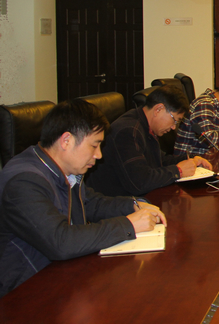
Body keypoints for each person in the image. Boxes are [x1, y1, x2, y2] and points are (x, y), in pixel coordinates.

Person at [0, 99, 166, 297]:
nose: (99, 155)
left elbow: (91, 203)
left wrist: (135, 205)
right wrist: (128, 225)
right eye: (94, 145)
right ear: (66, 141)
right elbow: (60, 242)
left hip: (62, 276)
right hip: (24, 293)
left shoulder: (63, 170)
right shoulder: (24, 181)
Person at [87, 85, 213, 197]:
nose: (173, 127)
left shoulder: (144, 125)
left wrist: (190, 159)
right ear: (158, 109)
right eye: (174, 120)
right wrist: (178, 171)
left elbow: (158, 160)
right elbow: (139, 182)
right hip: (119, 203)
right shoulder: (129, 131)